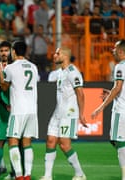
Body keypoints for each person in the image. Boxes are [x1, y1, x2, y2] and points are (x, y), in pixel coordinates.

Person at [91, 39, 125, 180]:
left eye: (114, 49)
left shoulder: (120, 66)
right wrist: (112, 93)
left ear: (120, 51)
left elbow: (118, 87)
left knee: (118, 141)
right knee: (117, 140)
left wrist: (100, 107)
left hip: (122, 109)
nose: (112, 51)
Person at [40, 47, 87, 180]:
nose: (54, 55)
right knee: (50, 141)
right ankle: (47, 175)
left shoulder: (73, 72)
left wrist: (81, 114)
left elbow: (80, 93)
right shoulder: (60, 72)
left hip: (69, 113)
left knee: (64, 144)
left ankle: (80, 173)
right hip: (58, 112)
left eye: (57, 53)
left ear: (65, 56)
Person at [0, 40, 39, 180]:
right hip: (32, 110)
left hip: (18, 110)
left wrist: (0, 72)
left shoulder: (11, 68)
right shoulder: (33, 67)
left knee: (12, 141)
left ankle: (19, 175)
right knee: (27, 143)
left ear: (13, 51)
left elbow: (4, 87)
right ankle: (27, 175)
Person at [0, 41, 11, 178]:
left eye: (6, 50)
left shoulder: (14, 67)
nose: (4, 53)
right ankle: (0, 167)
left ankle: (16, 170)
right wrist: (3, 103)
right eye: (2, 50)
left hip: (15, 108)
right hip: (0, 109)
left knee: (14, 141)